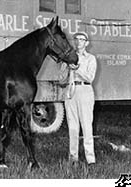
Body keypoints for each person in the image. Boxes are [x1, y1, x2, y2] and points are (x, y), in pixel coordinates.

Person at [59, 31, 97, 166]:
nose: (79, 42)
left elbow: (90, 77)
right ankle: (73, 158)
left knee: (87, 125)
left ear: (86, 43)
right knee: (72, 127)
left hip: (85, 90)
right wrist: (66, 69)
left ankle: (90, 159)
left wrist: (76, 68)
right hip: (70, 91)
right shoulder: (68, 57)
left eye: (82, 39)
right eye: (76, 39)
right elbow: (61, 80)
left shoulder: (90, 58)